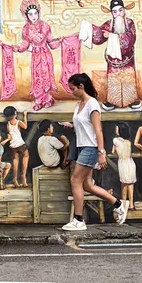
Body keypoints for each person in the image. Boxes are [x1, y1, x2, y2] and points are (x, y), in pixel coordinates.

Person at [59, 73, 129, 231]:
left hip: (90, 147)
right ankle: (118, 204)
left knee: (75, 181)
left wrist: (101, 152)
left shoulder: (92, 104)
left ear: (81, 87)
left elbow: (98, 130)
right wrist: (71, 125)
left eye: (72, 88)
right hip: (82, 146)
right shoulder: (79, 105)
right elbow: (84, 125)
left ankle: (78, 220)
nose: (71, 92)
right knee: (88, 185)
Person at [0, 0, 65, 111]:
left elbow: (50, 42)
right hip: (35, 56)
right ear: (26, 15)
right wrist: (16, 48)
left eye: (35, 13)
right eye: (30, 14)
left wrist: (59, 41)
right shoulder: (26, 29)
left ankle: (48, 99)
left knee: (46, 76)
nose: (33, 16)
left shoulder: (45, 26)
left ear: (39, 13)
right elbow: (25, 44)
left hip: (45, 54)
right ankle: (38, 100)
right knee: (37, 76)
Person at [88, 0, 142, 111]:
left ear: (124, 10)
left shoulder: (130, 23)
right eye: (115, 11)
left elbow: (131, 38)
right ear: (111, 13)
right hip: (114, 59)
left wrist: (112, 36)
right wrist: (89, 28)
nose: (118, 14)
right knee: (114, 80)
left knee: (128, 78)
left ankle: (132, 100)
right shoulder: (108, 24)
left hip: (127, 57)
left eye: (120, 10)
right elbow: (99, 36)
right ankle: (113, 101)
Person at [112, 123, 136, 209]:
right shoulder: (128, 142)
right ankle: (131, 204)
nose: (116, 130)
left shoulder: (115, 140)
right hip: (130, 162)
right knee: (130, 184)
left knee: (124, 184)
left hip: (122, 163)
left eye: (117, 129)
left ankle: (124, 203)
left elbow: (113, 152)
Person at [4, 106, 29, 188]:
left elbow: (9, 133)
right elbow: (25, 127)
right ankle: (23, 177)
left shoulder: (8, 124)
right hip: (20, 144)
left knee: (15, 160)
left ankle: (15, 178)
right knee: (26, 156)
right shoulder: (18, 122)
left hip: (13, 145)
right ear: (15, 114)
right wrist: (25, 115)